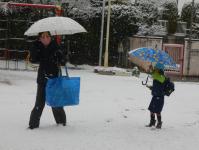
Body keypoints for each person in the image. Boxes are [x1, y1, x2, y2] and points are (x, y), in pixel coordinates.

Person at [28, 31, 67, 129]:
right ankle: (33, 125)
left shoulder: (56, 47)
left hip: (54, 79)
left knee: (56, 103)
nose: (45, 39)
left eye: (47, 36)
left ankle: (61, 123)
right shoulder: (38, 46)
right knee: (39, 103)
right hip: (42, 79)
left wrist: (61, 54)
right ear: (40, 38)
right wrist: (34, 49)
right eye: (43, 37)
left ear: (50, 37)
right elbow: (33, 60)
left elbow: (63, 62)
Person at [146, 63, 166, 129]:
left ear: (159, 70)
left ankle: (159, 123)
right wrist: (151, 87)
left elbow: (153, 75)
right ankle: (152, 122)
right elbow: (156, 85)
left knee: (157, 111)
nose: (155, 69)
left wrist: (151, 69)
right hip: (155, 95)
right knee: (151, 109)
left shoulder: (162, 77)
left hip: (159, 97)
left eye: (156, 68)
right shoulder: (157, 76)